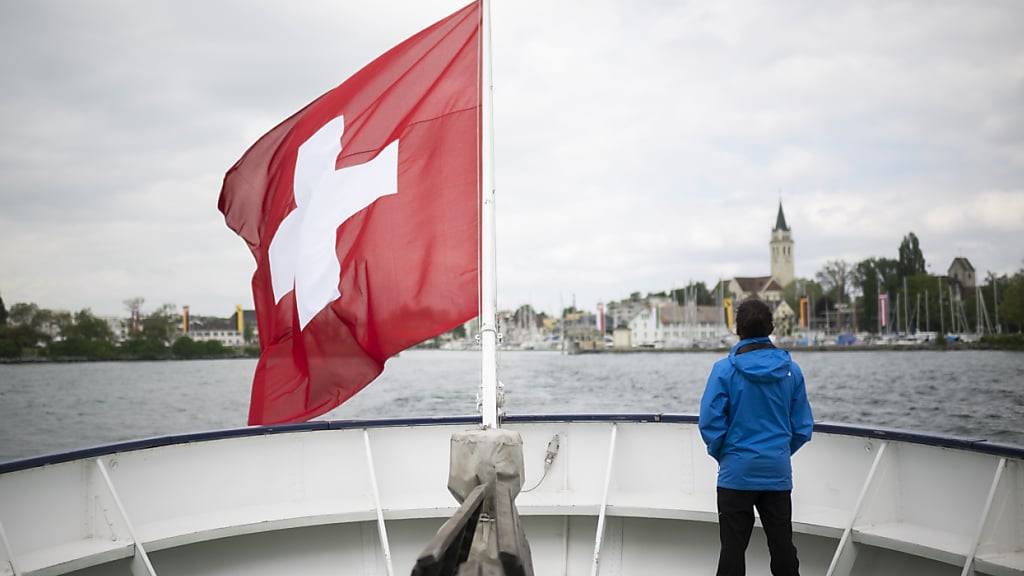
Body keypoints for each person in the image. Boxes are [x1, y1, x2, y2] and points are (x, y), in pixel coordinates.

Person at [699, 298, 814, 576]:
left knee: (732, 551)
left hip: (736, 472)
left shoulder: (724, 370)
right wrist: (778, 452)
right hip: (776, 471)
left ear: (738, 329)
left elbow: (710, 423)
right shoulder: (791, 371)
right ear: (770, 327)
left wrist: (725, 454)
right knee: (783, 547)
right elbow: (801, 427)